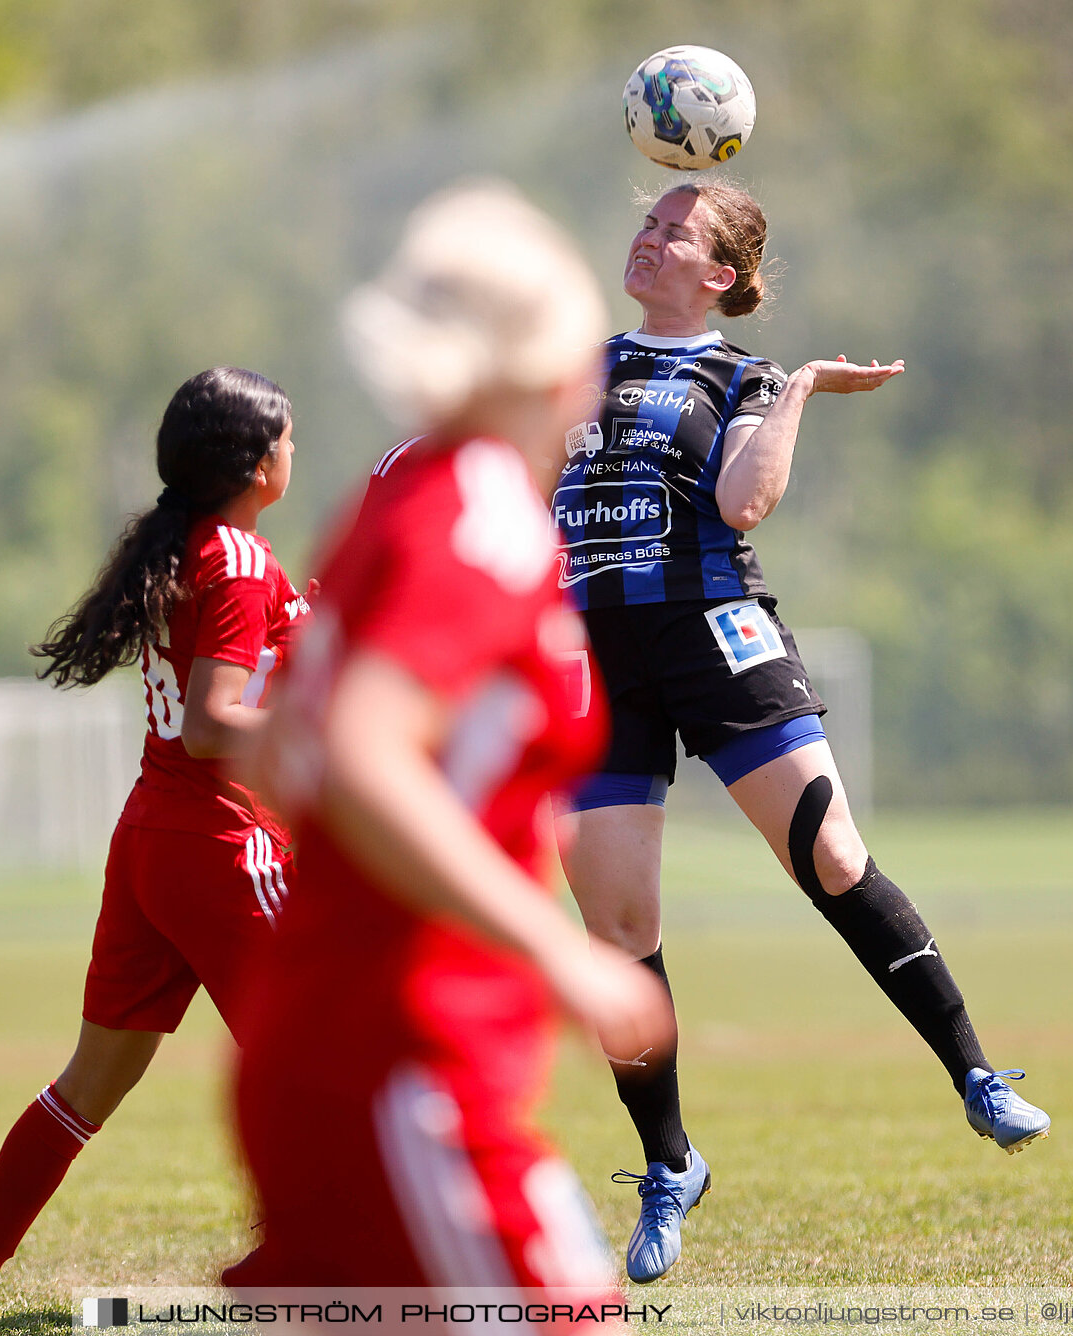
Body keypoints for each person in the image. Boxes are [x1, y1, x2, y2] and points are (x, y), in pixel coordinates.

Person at [552, 179, 1051, 1285]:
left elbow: (743, 502)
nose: (645, 238)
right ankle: (669, 1162)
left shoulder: (744, 376)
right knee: (617, 928)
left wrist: (806, 386)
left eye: (671, 232)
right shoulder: (569, 363)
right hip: (587, 652)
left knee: (831, 854)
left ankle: (975, 1073)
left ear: (720, 274)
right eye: (642, 223)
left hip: (711, 630)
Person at [225, 182, 674, 1294]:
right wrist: (554, 947)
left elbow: (275, 753)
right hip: (408, 1063)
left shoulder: (397, 494)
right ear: (552, 365)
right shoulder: (484, 517)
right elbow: (365, 757)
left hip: (333, 1044)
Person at [0, 367, 307, 1336]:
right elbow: (216, 724)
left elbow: (251, 661)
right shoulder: (239, 562)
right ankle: (289, 1264)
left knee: (87, 1084)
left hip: (151, 845)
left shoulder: (197, 548)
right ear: (260, 466)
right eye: (289, 440)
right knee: (315, 1057)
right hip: (220, 837)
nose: (297, 453)